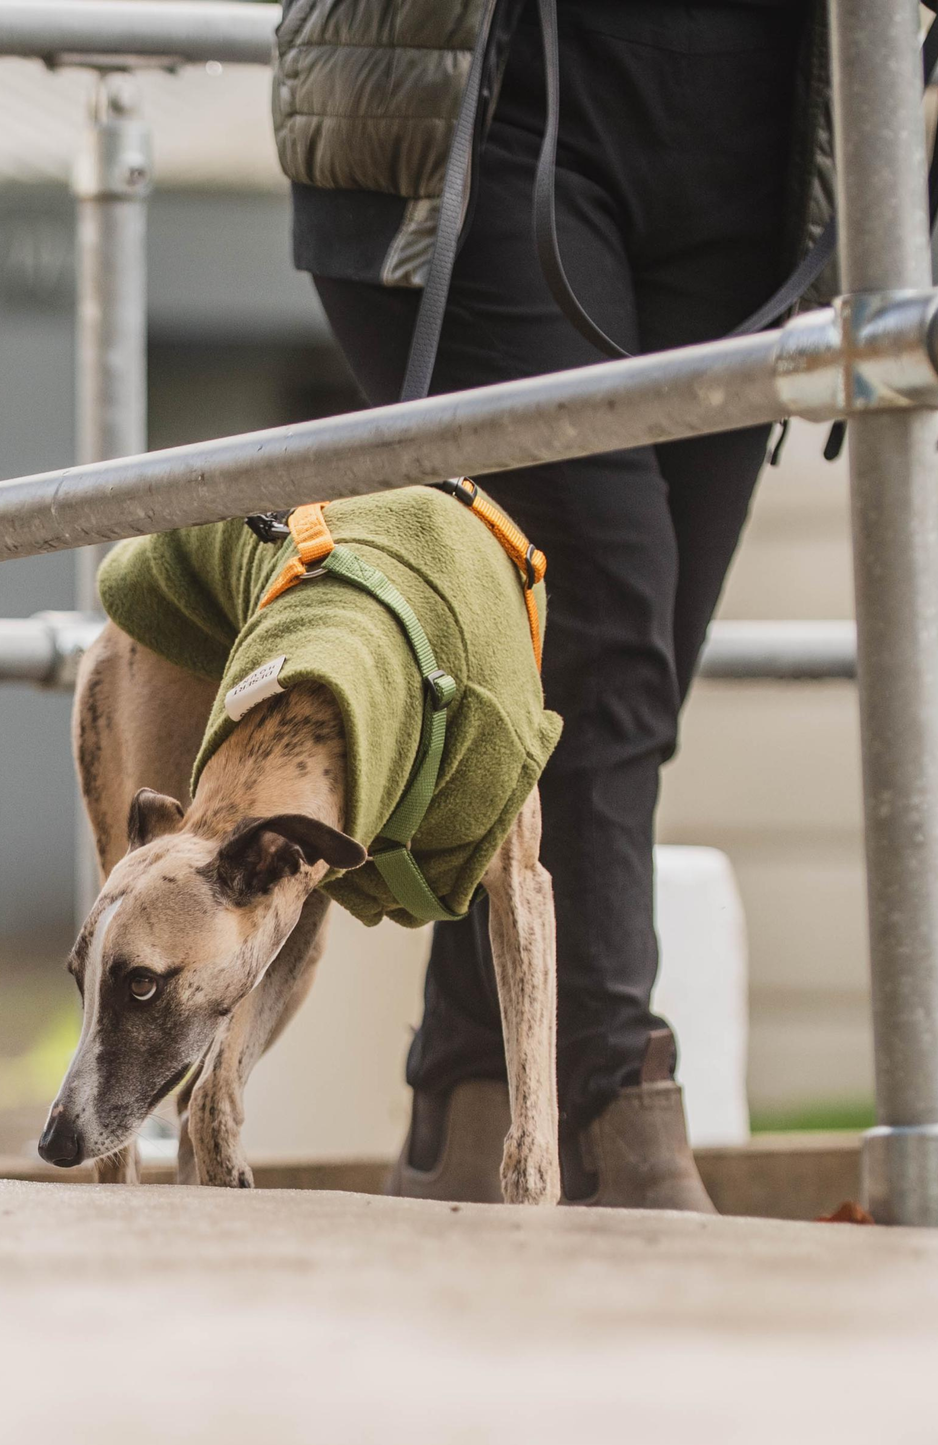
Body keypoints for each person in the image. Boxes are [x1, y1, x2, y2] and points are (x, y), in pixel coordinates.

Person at [272, 0, 835, 1209]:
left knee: (614, 677)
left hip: (762, 130)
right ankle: (609, 1111)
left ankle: (466, 1101)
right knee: (604, 627)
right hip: (481, 101)